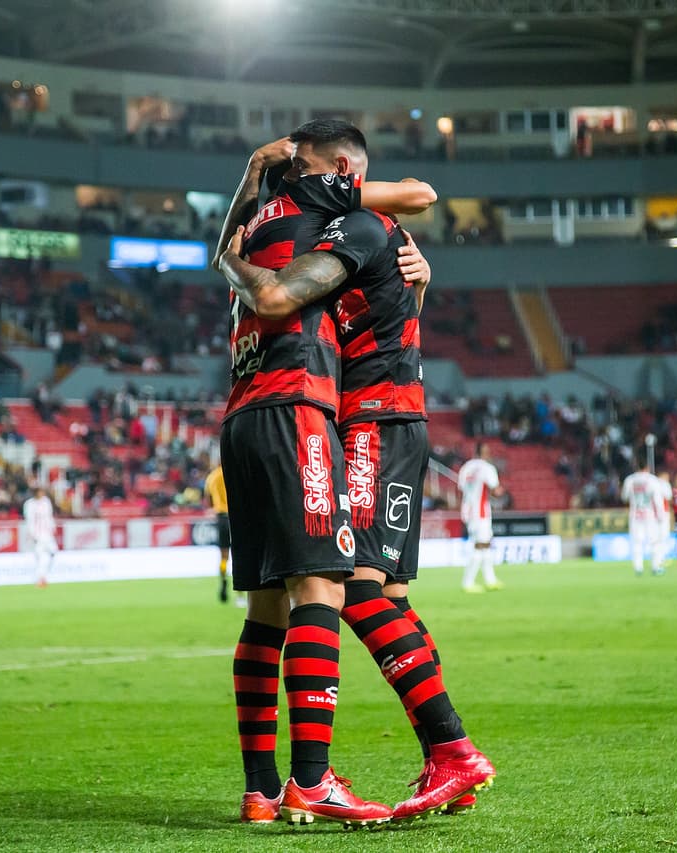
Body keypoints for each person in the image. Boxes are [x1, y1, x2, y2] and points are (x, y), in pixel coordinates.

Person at [223, 120, 494, 821]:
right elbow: (389, 309)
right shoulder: (316, 228)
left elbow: (415, 196)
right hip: (341, 413)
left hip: (368, 417)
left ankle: (447, 751)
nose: (295, 176)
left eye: (304, 168)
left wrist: (232, 248)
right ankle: (443, 758)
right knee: (377, 594)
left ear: (335, 170)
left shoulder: (347, 223)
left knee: (354, 589)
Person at [457, 443, 504, 594]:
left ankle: (490, 580)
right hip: (481, 512)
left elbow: (461, 488)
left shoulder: (466, 467)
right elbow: (495, 490)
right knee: (481, 545)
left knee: (485, 545)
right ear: (485, 452)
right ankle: (468, 582)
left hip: (468, 511)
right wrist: (500, 491)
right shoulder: (487, 468)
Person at [621, 459, 670, 577]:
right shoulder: (652, 480)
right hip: (650, 516)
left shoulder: (629, 480)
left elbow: (624, 497)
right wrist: (661, 516)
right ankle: (656, 567)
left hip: (635, 515)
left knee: (637, 542)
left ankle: (638, 568)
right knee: (654, 542)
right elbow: (657, 500)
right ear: (647, 468)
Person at [203, 463, 240, 605]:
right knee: (239, 556)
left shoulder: (212, 477)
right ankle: (240, 594)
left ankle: (223, 582)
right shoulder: (234, 473)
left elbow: (208, 499)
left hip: (221, 518)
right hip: (235, 517)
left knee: (224, 557)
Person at [23, 486, 57, 587]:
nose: (42, 494)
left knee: (53, 551)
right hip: (38, 534)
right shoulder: (30, 504)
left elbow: (49, 516)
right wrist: (33, 535)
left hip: (48, 533)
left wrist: (52, 527)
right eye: (40, 492)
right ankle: (40, 579)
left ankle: (41, 577)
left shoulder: (46, 502)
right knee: (40, 555)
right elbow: (29, 520)